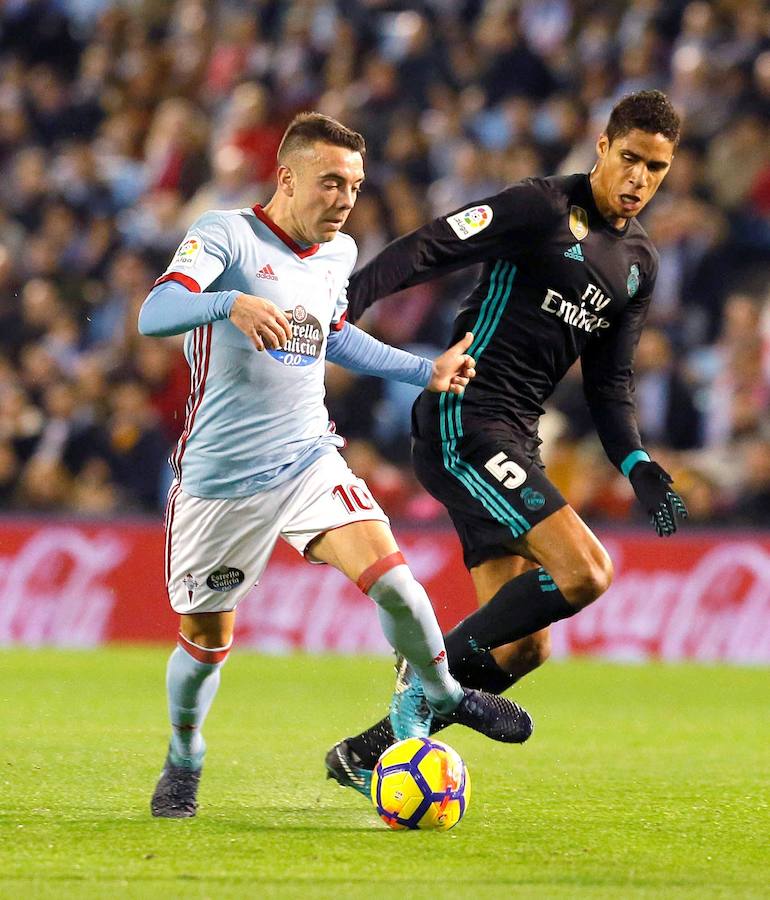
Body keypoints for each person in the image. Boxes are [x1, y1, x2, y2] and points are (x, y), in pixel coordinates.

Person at [138, 113, 533, 819]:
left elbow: (335, 337)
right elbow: (156, 310)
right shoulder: (225, 234)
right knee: (204, 644)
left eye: (354, 184)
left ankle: (442, 693)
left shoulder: (338, 253)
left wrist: (424, 372)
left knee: (398, 584)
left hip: (306, 460)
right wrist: (227, 303)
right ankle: (185, 756)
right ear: (287, 178)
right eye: (330, 182)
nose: (346, 198)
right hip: (220, 483)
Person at [326, 90, 689, 793]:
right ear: (603, 148)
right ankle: (420, 686)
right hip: (465, 414)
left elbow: (609, 388)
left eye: (658, 168)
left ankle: (366, 752)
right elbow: (434, 242)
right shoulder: (540, 206)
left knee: (524, 646)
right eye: (632, 159)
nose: (640, 179)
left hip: (514, 436)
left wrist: (640, 464)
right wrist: (352, 296)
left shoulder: (639, 261)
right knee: (586, 572)